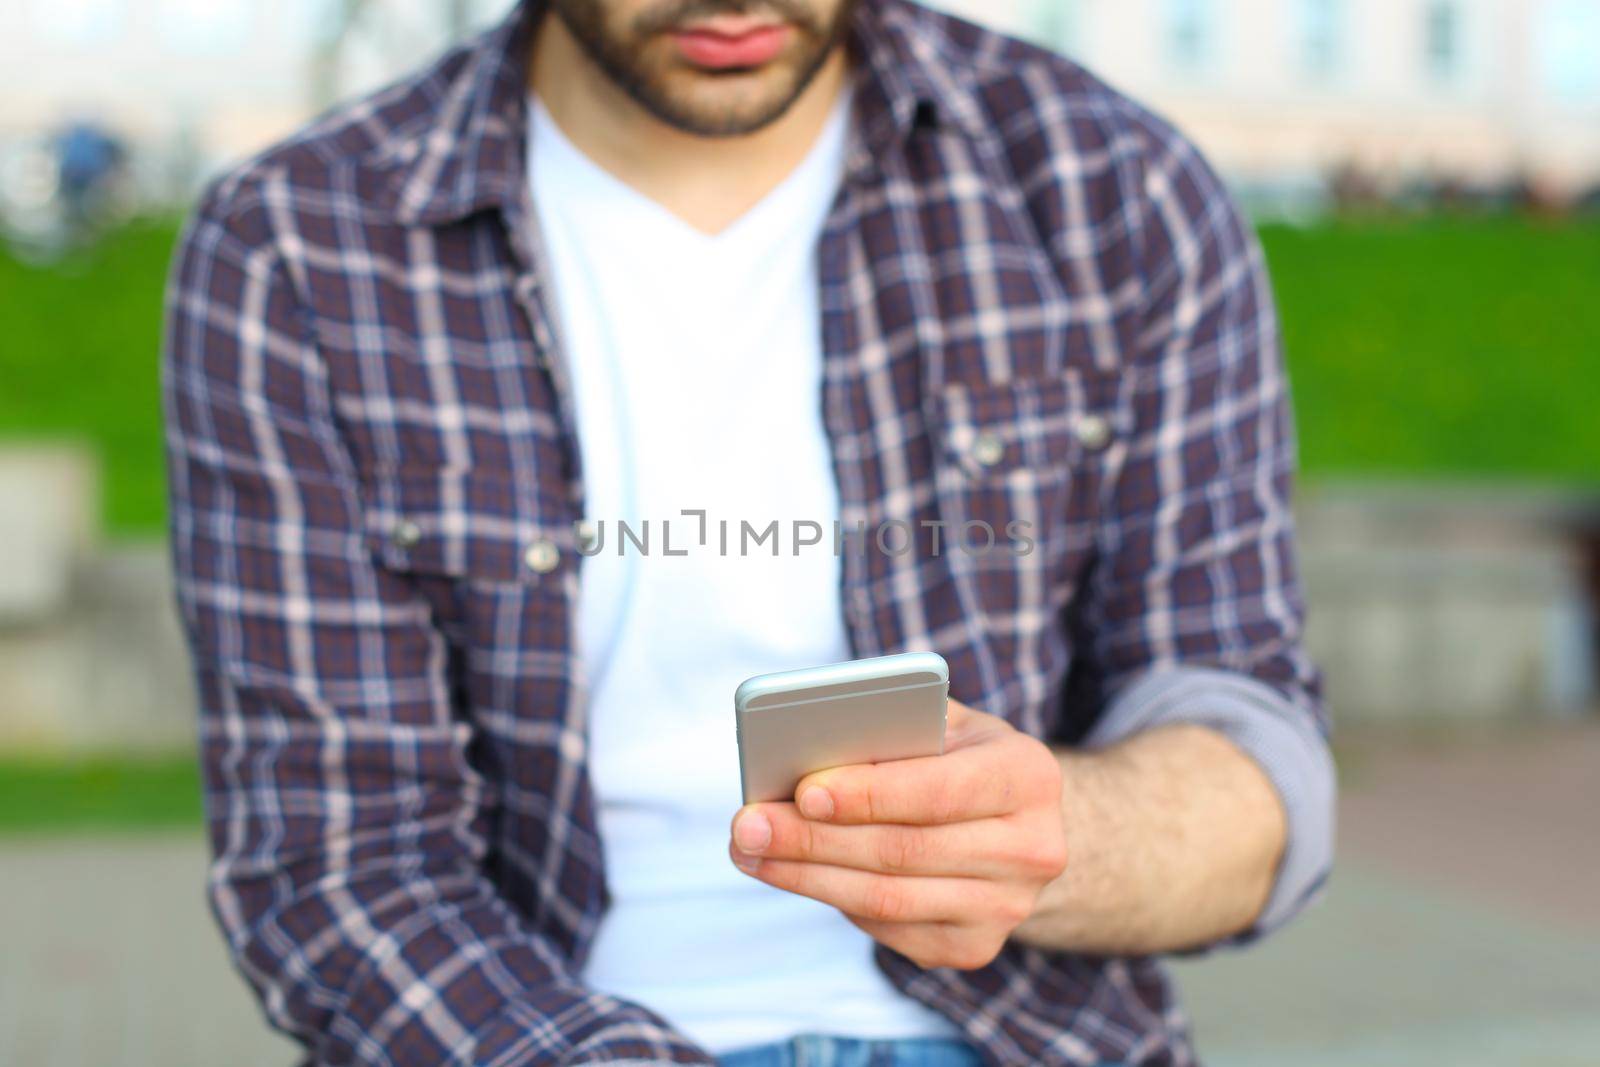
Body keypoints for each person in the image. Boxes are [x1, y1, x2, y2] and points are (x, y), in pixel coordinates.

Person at [160, 1, 1335, 1064]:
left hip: (1016, 1033)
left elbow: (1246, 752)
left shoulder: (1112, 190)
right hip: (525, 1032)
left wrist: (1060, 837)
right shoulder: (295, 248)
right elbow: (335, 865)